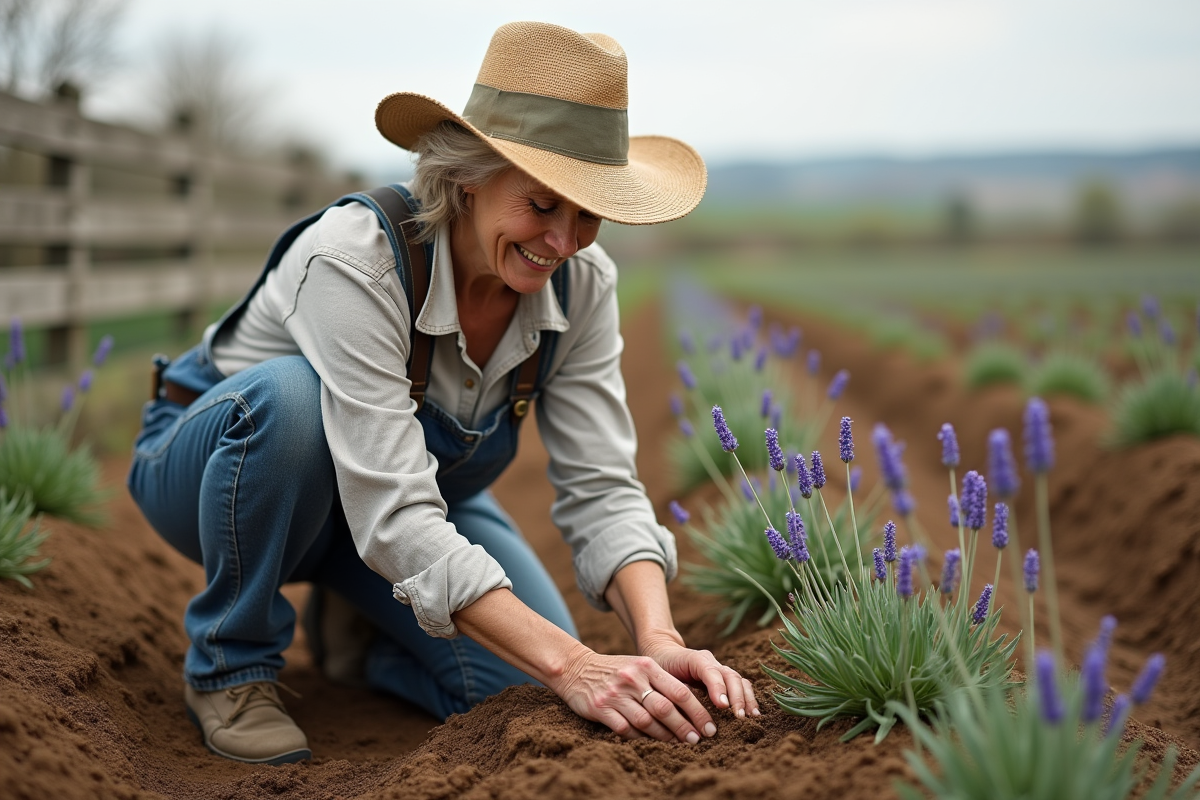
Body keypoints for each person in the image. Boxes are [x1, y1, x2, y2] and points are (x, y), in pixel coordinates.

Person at [127, 20, 758, 766]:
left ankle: (357, 641)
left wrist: (657, 639)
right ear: (467, 174)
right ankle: (230, 666)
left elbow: (602, 485)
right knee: (292, 401)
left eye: (587, 211)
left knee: (517, 692)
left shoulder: (583, 285)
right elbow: (394, 510)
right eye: (542, 205)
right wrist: (574, 663)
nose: (563, 241)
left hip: (397, 497)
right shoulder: (355, 260)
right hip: (222, 478)